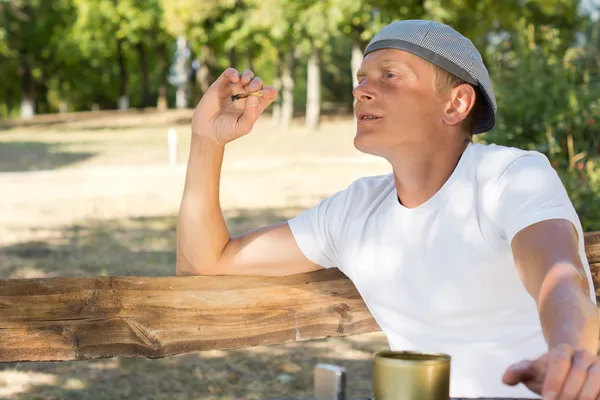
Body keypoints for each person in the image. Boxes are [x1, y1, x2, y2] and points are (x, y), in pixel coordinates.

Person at [176, 19, 600, 399]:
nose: (361, 89)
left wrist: (569, 350)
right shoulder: (354, 211)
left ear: (456, 104)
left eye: (390, 75)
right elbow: (206, 261)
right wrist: (206, 140)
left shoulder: (510, 176)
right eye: (361, 78)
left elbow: (560, 275)